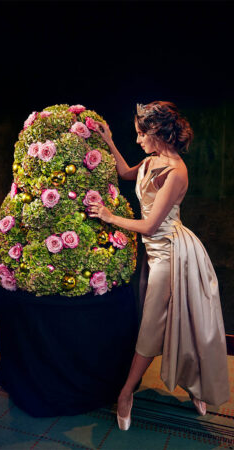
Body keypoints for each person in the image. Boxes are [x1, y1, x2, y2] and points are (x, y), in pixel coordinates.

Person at [87, 101, 229, 430]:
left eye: (140, 134)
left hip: (172, 254)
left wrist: (109, 217)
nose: (137, 140)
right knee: (178, 323)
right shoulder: (151, 161)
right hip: (154, 255)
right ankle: (194, 384)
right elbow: (125, 173)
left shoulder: (178, 172)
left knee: (154, 326)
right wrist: (109, 142)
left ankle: (126, 394)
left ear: (157, 132)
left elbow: (150, 226)